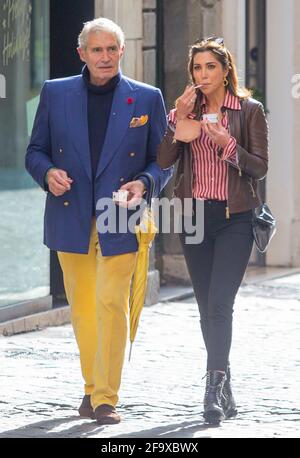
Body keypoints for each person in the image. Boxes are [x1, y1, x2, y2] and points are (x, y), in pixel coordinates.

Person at [25, 17, 172, 425]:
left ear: (122, 52)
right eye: (97, 50)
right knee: (84, 309)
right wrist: (47, 173)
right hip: (70, 214)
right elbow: (34, 151)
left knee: (111, 303)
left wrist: (144, 183)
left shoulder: (146, 98)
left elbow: (162, 163)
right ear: (82, 54)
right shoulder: (55, 93)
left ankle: (106, 397)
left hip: (120, 216)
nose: (105, 57)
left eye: (112, 49)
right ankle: (91, 387)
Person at [157, 37, 269, 425]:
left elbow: (259, 167)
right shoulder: (184, 111)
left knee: (221, 302)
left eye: (210, 67)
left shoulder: (248, 110)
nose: (202, 75)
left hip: (235, 217)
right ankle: (225, 385)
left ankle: (211, 388)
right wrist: (177, 124)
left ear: (225, 71)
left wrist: (227, 145)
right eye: (197, 69)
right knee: (206, 308)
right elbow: (164, 160)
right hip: (194, 217)